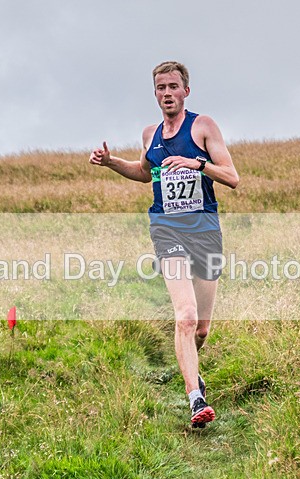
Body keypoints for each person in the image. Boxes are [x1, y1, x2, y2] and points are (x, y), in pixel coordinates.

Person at [89, 61, 239, 427]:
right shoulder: (150, 134)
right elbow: (144, 172)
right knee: (185, 316)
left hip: (204, 231)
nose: (167, 93)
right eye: (160, 87)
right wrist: (111, 163)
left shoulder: (203, 126)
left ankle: (193, 370)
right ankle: (195, 399)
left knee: (201, 328)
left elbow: (232, 178)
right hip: (166, 230)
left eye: (173, 86)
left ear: (186, 91)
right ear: (154, 93)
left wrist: (197, 164)